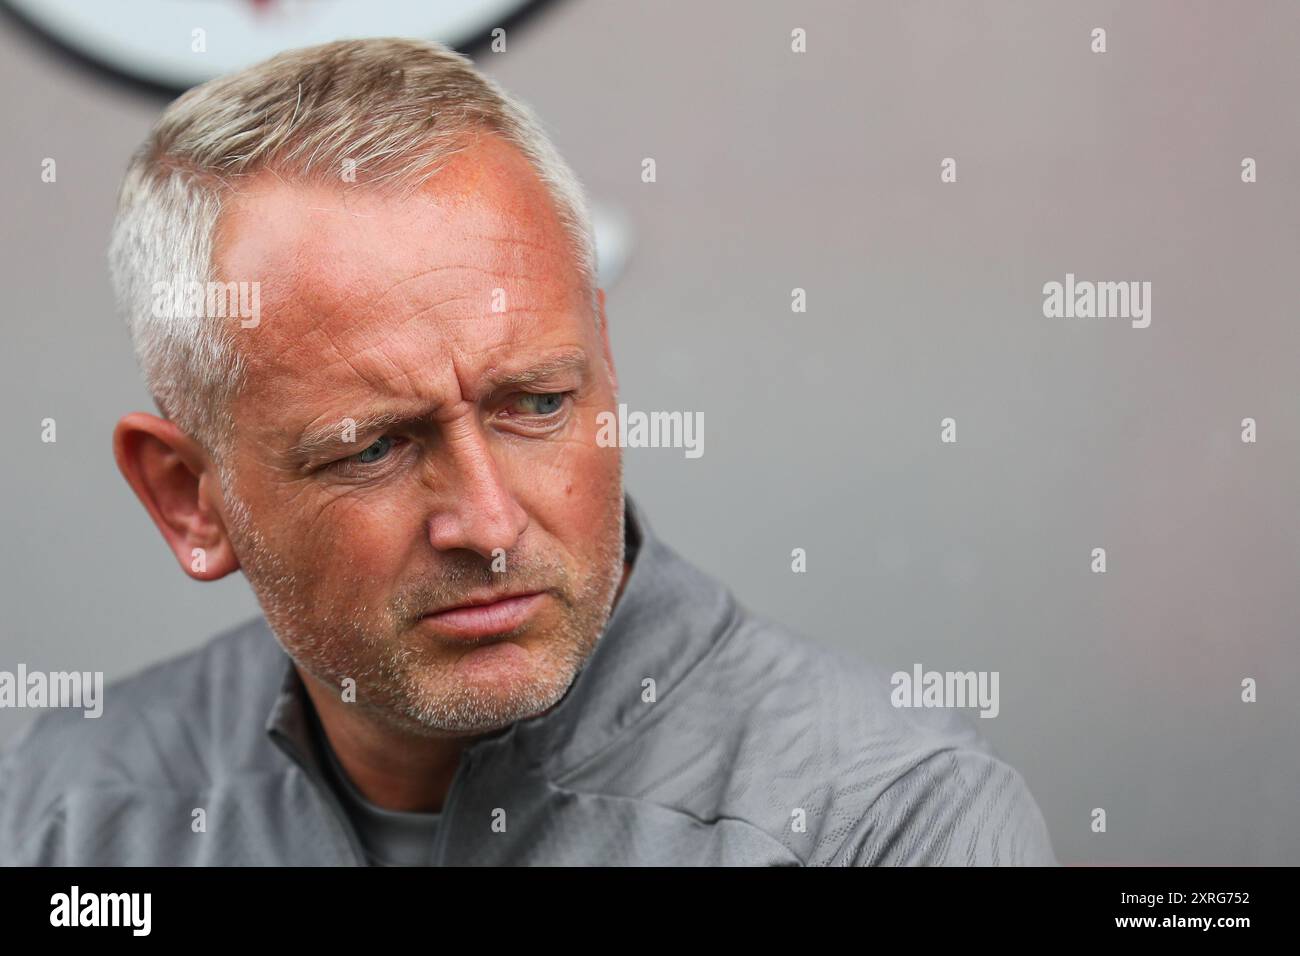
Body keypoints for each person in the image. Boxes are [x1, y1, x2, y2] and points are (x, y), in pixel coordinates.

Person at [0, 38, 1055, 866]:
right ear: (189, 497)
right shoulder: (57, 814)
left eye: (538, 402)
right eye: (369, 447)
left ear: (606, 357)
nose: (491, 523)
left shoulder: (887, 821)